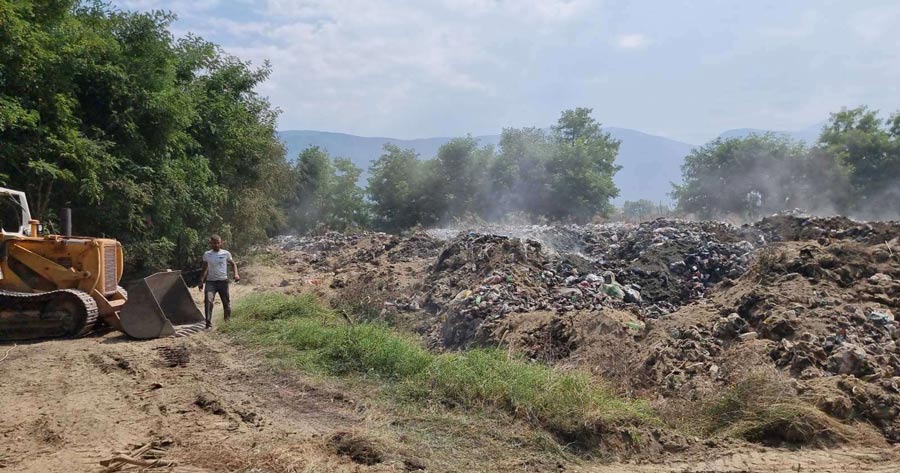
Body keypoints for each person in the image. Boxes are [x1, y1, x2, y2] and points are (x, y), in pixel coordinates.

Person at [198, 234, 240, 329]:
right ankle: (208, 324)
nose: (216, 245)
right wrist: (201, 281)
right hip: (210, 282)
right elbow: (204, 268)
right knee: (208, 301)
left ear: (221, 243)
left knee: (226, 303)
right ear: (211, 244)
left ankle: (227, 323)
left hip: (223, 282)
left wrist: (236, 274)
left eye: (218, 243)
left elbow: (233, 264)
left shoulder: (226, 253)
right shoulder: (207, 254)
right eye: (214, 243)